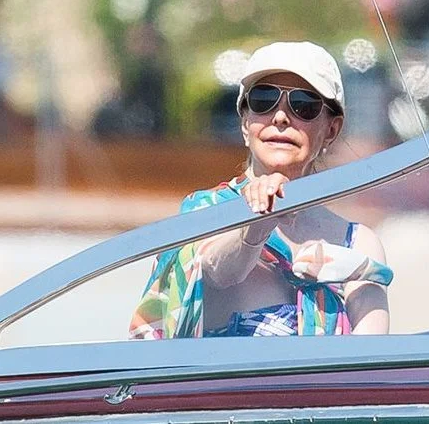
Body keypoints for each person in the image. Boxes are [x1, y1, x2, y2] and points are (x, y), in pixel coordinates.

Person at [130, 41, 393, 339]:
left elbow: (368, 358)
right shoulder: (205, 212)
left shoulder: (358, 243)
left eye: (303, 105)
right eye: (263, 99)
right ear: (245, 123)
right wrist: (258, 222)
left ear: (331, 130)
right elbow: (218, 271)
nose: (280, 117)